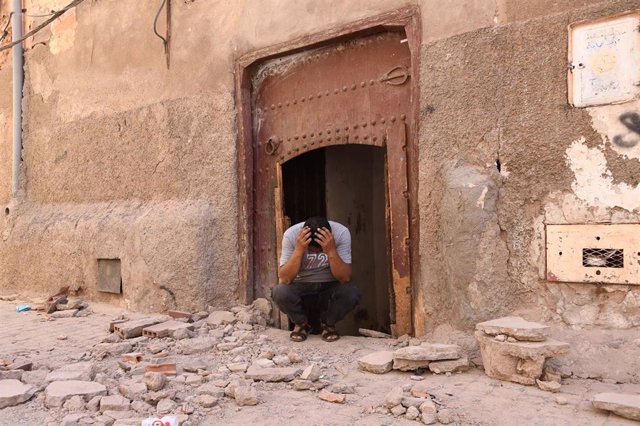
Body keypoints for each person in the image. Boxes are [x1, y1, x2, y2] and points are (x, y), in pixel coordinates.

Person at [271, 216, 361, 342]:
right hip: (301, 287)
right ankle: (301, 324)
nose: (315, 252)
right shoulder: (291, 235)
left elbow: (345, 278)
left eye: (319, 249)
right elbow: (285, 278)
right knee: (279, 291)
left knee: (351, 292)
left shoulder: (341, 233)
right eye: (311, 249)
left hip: (330, 287)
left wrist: (330, 250)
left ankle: (328, 325)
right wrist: (299, 250)